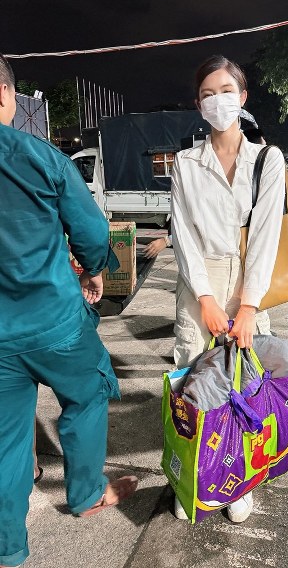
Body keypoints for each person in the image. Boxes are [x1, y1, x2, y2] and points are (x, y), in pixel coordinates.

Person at [0, 54, 137, 568]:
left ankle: (8, 547)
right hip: (56, 321)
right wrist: (94, 270)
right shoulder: (40, 158)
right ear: (5, 93)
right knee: (87, 395)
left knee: (7, 440)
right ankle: (84, 494)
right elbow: (92, 232)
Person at [171, 55, 285, 522]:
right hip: (200, 276)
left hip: (250, 279)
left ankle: (238, 479)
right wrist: (204, 297)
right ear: (198, 104)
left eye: (226, 91)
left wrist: (248, 306)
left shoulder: (268, 159)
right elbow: (182, 232)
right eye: (207, 94)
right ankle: (192, 478)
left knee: (245, 379)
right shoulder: (185, 162)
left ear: (243, 97)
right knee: (192, 377)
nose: (217, 100)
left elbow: (266, 237)